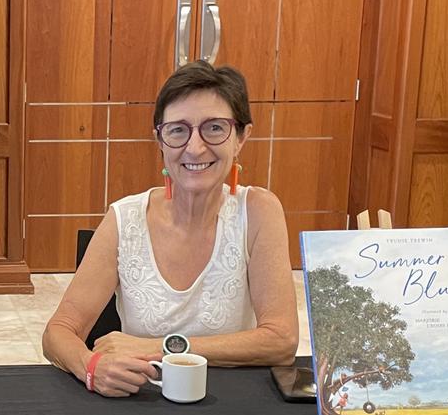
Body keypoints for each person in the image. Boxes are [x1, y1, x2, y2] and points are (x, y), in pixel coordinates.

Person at [42, 61, 298, 397]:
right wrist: (91, 367)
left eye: (215, 128)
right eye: (178, 130)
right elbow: (58, 332)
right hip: (141, 401)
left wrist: (160, 349)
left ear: (241, 138)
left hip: (233, 405)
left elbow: (281, 341)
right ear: (160, 141)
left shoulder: (259, 212)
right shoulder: (124, 219)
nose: (194, 147)